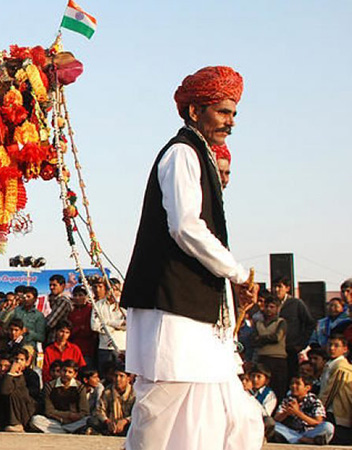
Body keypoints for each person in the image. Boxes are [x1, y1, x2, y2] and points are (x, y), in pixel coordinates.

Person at [120, 67, 262, 449]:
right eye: (223, 112)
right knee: (159, 417)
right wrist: (237, 271)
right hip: (172, 311)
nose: (230, 122)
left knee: (230, 415)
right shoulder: (182, 154)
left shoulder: (199, 155)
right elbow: (186, 227)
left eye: (233, 114)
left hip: (198, 314)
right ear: (195, 110)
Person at [270, 375, 334, 445]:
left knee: (328, 426)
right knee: (274, 425)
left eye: (297, 384)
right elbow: (276, 419)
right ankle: (302, 440)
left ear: (307, 388)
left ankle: (300, 439)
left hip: (310, 432)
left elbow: (318, 422)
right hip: (292, 432)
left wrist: (298, 413)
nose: (293, 386)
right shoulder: (288, 400)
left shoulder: (314, 401)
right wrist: (286, 413)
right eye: (292, 383)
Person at [30, 360, 89, 434]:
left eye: (70, 372)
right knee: (35, 420)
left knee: (88, 420)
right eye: (64, 371)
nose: (66, 374)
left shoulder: (80, 387)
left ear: (75, 374)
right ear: (60, 371)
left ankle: (62, 431)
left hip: (74, 421)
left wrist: (76, 416)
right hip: (55, 420)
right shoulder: (50, 386)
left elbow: (85, 411)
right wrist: (67, 415)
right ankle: (68, 432)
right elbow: (49, 411)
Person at [273, 277, 315, 382]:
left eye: (279, 286)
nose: (276, 290)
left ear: (287, 288)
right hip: (273, 350)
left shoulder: (296, 304)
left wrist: (301, 344)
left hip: (290, 349)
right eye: (274, 287)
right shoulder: (270, 304)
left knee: (290, 378)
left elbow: (309, 323)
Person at [0, 352, 36, 432]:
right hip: (4, 409)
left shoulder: (29, 374)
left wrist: (10, 374)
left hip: (24, 408)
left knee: (13, 394)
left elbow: (6, 390)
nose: (3, 368)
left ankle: (16, 423)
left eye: (6, 366)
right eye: (0, 366)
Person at [319, 334, 352, 444]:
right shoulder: (330, 364)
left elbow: (330, 392)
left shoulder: (341, 367)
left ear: (345, 349)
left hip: (337, 411)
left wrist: (320, 409)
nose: (332, 348)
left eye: (336, 346)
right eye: (330, 345)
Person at [253, 296, 288, 398]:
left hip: (278, 359)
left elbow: (277, 337)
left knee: (278, 388)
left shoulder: (281, 322)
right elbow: (254, 339)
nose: (268, 309)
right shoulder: (258, 323)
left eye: (272, 307)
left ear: (277, 308)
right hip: (263, 358)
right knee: (262, 387)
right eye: (267, 306)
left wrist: (261, 338)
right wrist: (266, 338)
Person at [90, 278, 126, 376]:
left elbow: (126, 324)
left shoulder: (123, 305)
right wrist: (116, 326)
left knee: (121, 375)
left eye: (115, 289)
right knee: (105, 376)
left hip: (121, 346)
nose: (112, 292)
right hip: (104, 347)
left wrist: (106, 322)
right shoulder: (98, 305)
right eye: (110, 289)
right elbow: (94, 326)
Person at [87, 364, 135, 436]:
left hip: (127, 424)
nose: (118, 379)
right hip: (111, 423)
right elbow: (99, 410)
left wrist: (125, 421)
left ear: (128, 379)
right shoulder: (107, 391)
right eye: (116, 376)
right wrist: (107, 421)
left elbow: (138, 413)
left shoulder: (134, 393)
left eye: (121, 376)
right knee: (92, 421)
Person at [67, 285, 97, 368]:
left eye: (80, 295)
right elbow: (70, 330)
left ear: (86, 296)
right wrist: (79, 328)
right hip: (74, 348)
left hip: (88, 349)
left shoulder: (91, 309)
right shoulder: (71, 312)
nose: (77, 298)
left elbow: (89, 330)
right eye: (75, 295)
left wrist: (79, 329)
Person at [11, 287, 46, 352]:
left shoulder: (38, 315)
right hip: (14, 345)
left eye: (28, 297)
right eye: (24, 297)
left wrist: (28, 332)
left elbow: (41, 337)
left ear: (35, 299)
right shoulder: (16, 311)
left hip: (29, 347)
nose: (26, 299)